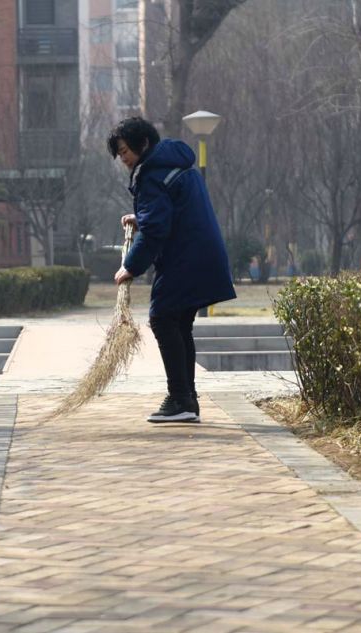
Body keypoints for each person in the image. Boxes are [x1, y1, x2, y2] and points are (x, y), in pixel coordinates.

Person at [108, 117, 236, 423]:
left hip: (184, 258)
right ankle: (187, 399)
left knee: (163, 319)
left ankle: (179, 399)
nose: (123, 158)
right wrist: (141, 217)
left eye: (125, 151)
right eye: (119, 154)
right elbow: (169, 212)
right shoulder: (174, 165)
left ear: (143, 144)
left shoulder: (151, 174)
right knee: (179, 324)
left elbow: (156, 230)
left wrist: (130, 266)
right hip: (201, 254)